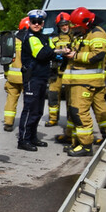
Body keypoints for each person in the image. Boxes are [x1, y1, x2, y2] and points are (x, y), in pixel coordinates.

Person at [60, 7, 106, 157]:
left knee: (79, 112)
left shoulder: (96, 33)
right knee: (99, 111)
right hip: (86, 80)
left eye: (77, 25)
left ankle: (86, 145)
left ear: (86, 22)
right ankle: (91, 140)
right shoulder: (86, 33)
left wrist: (75, 55)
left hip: (85, 81)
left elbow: (98, 55)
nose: (74, 28)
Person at [17, 10, 66, 151]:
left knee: (38, 110)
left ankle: (32, 137)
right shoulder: (30, 37)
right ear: (29, 22)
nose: (37, 24)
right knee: (29, 109)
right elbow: (41, 54)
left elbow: (52, 52)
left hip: (42, 76)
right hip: (32, 77)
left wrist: (56, 53)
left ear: (43, 23)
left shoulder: (44, 37)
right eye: (34, 22)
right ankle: (23, 140)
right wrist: (55, 52)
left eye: (39, 22)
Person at [2, 16, 30, 132]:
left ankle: (8, 123)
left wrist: (6, 73)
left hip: (12, 77)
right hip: (26, 77)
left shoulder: (12, 40)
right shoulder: (32, 40)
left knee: (11, 100)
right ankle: (26, 123)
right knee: (28, 101)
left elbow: (5, 57)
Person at [45, 12, 73, 127]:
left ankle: (71, 119)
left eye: (66, 24)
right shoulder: (54, 39)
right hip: (56, 70)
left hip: (69, 71)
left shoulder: (75, 38)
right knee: (53, 95)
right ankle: (53, 118)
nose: (64, 27)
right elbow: (48, 53)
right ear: (58, 26)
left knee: (70, 97)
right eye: (62, 25)